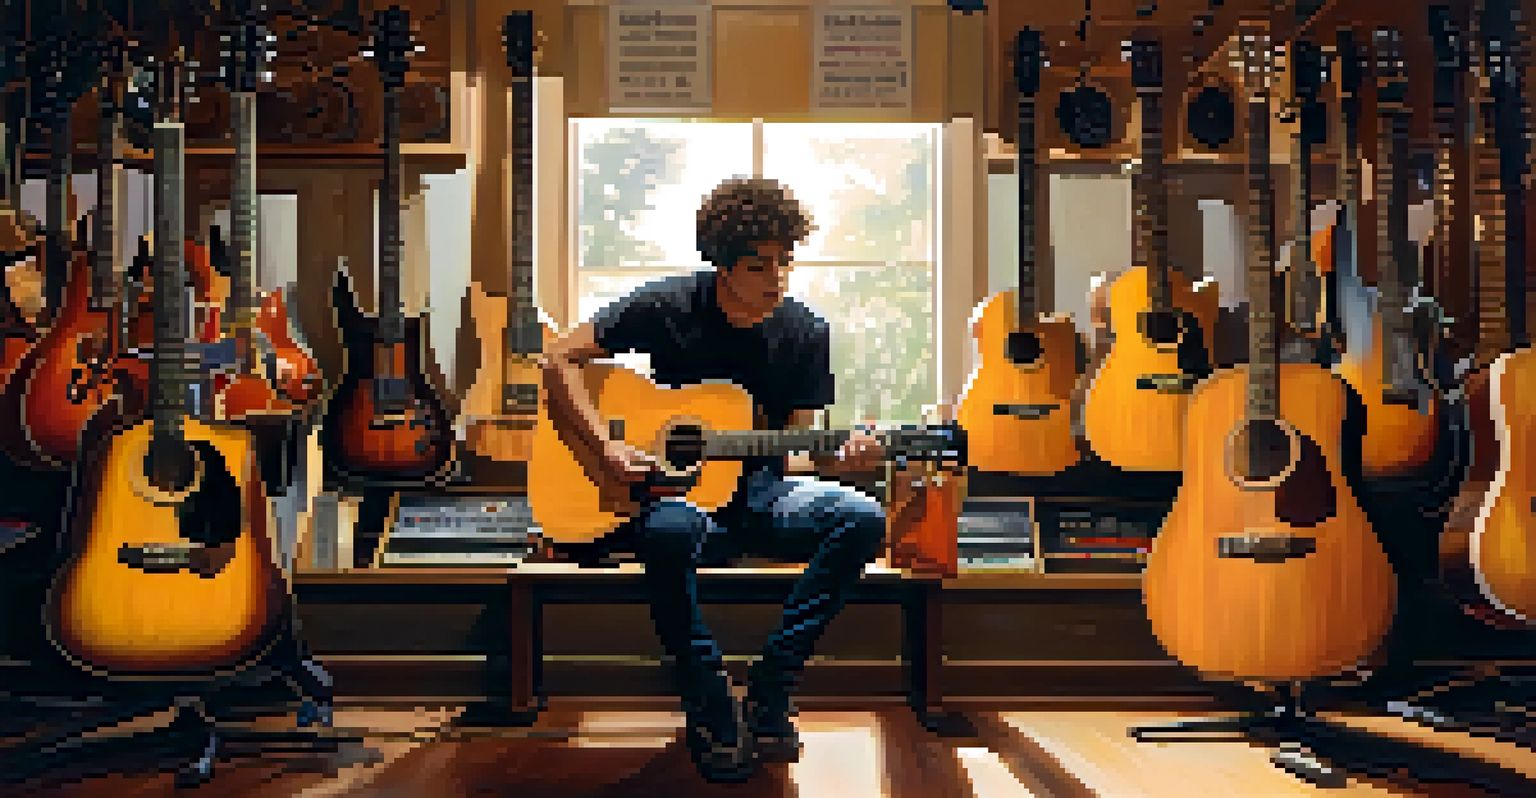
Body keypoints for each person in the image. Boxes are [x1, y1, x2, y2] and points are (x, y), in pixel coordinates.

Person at [541, 177, 889, 782]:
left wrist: (842, 461)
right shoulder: (666, 306)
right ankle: (707, 695)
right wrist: (606, 450)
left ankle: (773, 684)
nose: (776, 279)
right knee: (668, 534)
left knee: (860, 517)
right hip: (678, 496)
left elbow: (794, 453)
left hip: (761, 494)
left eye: (784, 263)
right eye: (759, 266)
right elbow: (558, 359)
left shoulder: (806, 331)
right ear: (721, 264)